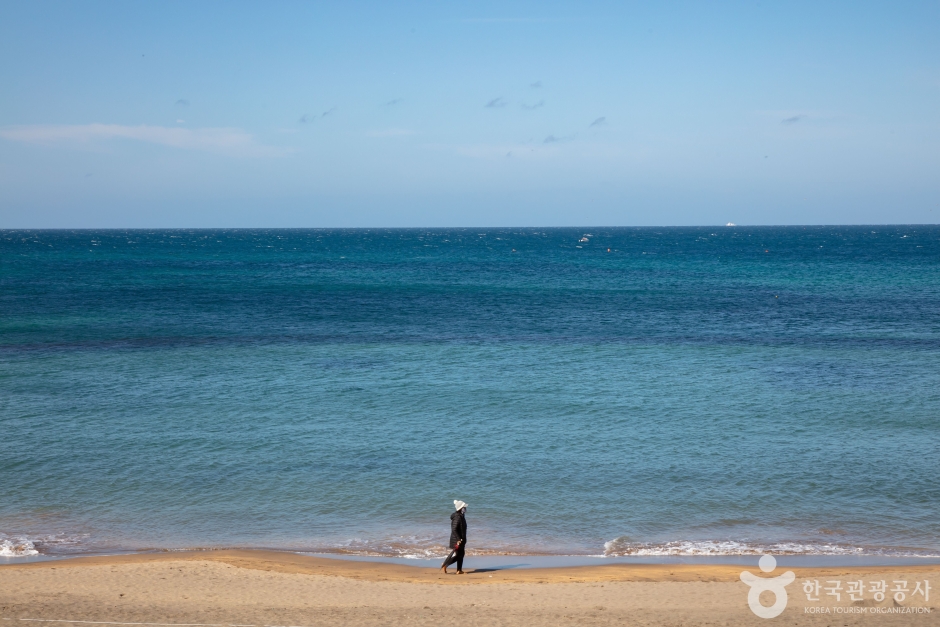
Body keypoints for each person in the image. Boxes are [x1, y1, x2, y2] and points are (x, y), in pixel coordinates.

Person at [440, 500, 467, 574]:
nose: (465, 508)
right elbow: (454, 529)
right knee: (458, 555)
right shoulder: (457, 517)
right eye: (464, 507)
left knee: (461, 554)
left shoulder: (461, 516)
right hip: (457, 540)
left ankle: (459, 570)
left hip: (461, 539)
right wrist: (458, 539)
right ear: (461, 508)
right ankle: (445, 564)